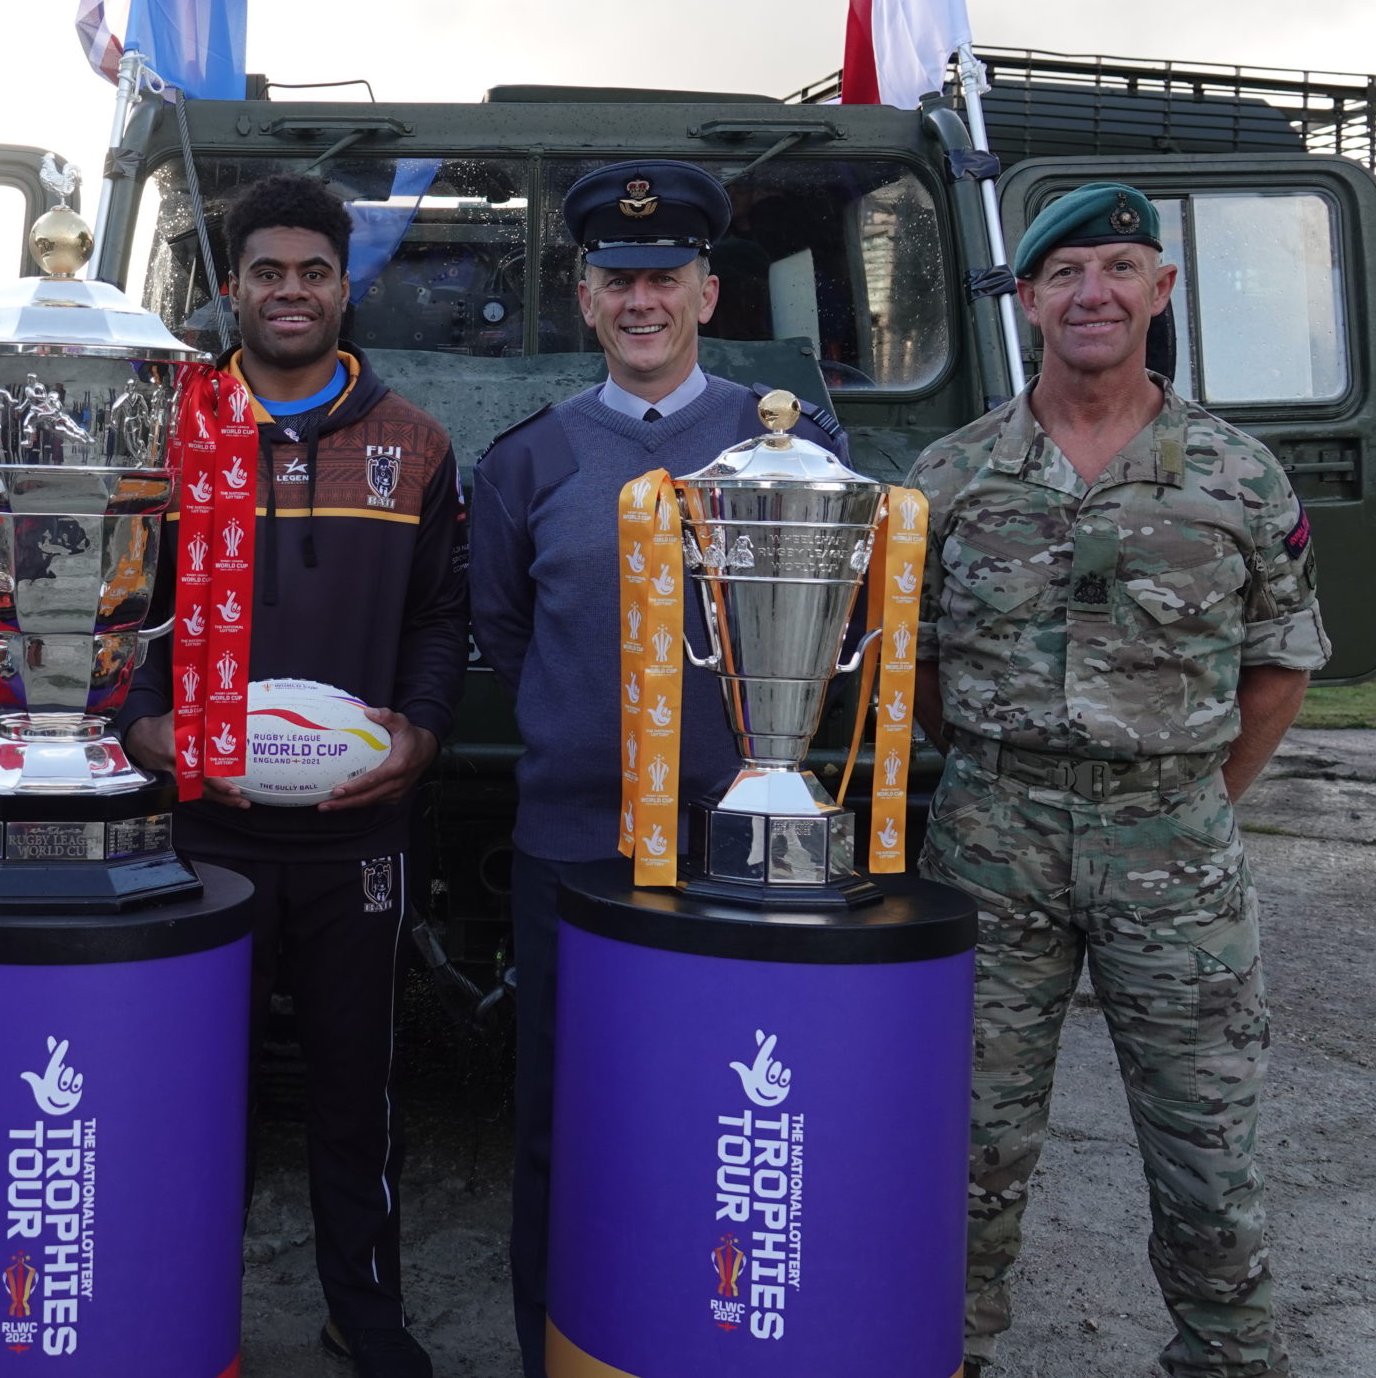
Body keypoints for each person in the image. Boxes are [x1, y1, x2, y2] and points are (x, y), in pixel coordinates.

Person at [905, 181, 1329, 1378]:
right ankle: (943, 1347)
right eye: (1065, 275)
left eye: (1118, 268)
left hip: (1175, 847)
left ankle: (1224, 1355)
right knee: (964, 1139)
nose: (1092, 292)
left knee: (1206, 1142)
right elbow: (915, 664)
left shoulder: (1237, 477)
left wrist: (1193, 798)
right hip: (993, 836)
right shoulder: (951, 475)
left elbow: (1279, 664)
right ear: (1028, 300)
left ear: (1159, 290)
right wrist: (1001, 768)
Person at [469, 160, 845, 1378]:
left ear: (707, 293)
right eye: (617, 280)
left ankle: (721, 1343)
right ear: (585, 300)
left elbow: (839, 626)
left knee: (743, 1114)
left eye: (665, 279)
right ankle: (563, 1350)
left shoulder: (787, 440)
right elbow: (514, 637)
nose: (642, 301)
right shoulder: (528, 460)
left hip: (748, 849)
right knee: (567, 1120)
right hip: (578, 845)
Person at [118, 175, 470, 1378]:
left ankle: (362, 1313)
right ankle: (168, 1307)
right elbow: (117, 609)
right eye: (265, 271)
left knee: (353, 1087)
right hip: (201, 823)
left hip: (353, 826)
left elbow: (437, 620)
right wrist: (141, 723)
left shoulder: (414, 443)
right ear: (230, 288)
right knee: (189, 1089)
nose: (289, 291)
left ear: (342, 285)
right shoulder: (165, 431)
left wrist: (419, 734)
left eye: (312, 271)